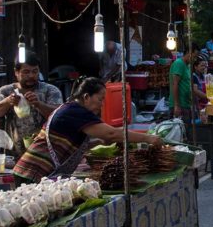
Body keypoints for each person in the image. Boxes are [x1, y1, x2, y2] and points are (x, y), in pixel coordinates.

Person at [13, 77, 162, 183]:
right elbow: (111, 133)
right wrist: (148, 138)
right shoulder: (75, 111)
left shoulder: (72, 109)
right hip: (33, 172)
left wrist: (98, 142)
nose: (102, 104)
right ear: (86, 96)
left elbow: (72, 142)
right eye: (100, 99)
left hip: (37, 173)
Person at [0, 52, 63, 156]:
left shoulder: (50, 90)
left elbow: (59, 116)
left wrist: (39, 104)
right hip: (14, 153)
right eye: (26, 72)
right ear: (16, 72)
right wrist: (8, 102)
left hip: (45, 152)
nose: (31, 76)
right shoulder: (5, 91)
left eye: (35, 71)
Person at [168, 50, 198, 121]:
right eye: (194, 57)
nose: (195, 59)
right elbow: (175, 84)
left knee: (186, 129)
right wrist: (176, 105)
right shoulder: (179, 63)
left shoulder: (188, 66)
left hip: (186, 104)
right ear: (188, 53)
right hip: (180, 105)